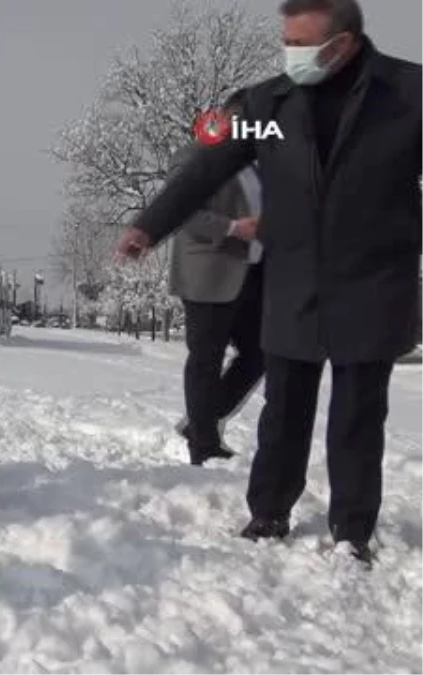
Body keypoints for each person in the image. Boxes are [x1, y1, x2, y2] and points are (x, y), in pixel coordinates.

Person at [114, 0, 423, 565]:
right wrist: (149, 225)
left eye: (303, 44)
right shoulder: (267, 104)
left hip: (374, 282)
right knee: (285, 408)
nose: (292, 55)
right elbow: (207, 166)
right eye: (288, 42)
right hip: (294, 281)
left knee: (358, 414)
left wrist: (404, 229)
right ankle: (269, 512)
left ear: (345, 42)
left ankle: (353, 529)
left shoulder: (408, 94)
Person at [167, 90, 266, 466]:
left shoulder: (254, 164)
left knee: (260, 352)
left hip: (251, 274)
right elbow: (179, 211)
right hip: (207, 273)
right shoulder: (194, 156)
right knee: (205, 359)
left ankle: (201, 421)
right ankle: (203, 445)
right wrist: (230, 228)